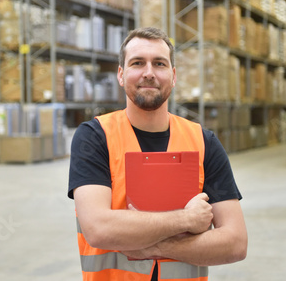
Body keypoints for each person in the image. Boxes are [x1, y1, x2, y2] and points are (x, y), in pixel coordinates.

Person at [68, 27, 247, 281]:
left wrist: (157, 248)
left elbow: (236, 242)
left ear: (173, 76)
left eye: (159, 64)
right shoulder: (95, 137)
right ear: (121, 74)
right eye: (137, 63)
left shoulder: (203, 142)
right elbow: (98, 229)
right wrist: (186, 219)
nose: (149, 73)